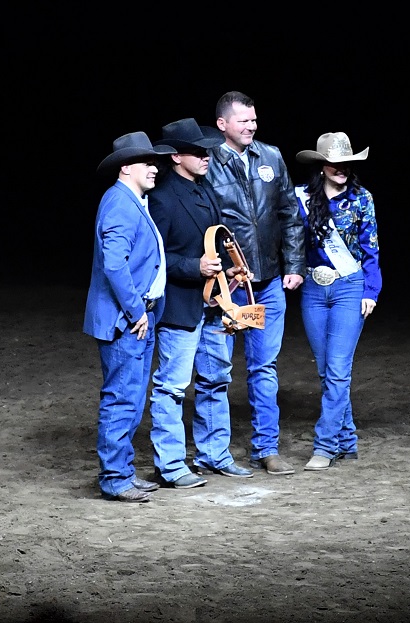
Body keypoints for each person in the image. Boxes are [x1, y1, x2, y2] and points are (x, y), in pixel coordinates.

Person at [147, 118, 254, 489]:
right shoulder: (161, 198)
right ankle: (171, 465)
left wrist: (232, 270)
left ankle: (214, 455)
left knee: (216, 380)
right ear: (177, 156)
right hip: (181, 305)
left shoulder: (204, 189)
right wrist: (194, 266)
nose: (206, 156)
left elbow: (214, 242)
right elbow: (153, 258)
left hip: (213, 303)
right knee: (173, 387)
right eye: (197, 151)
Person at [205, 91, 305, 475]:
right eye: (243, 121)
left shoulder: (271, 156)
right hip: (229, 285)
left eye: (253, 120)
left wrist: (293, 263)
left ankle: (267, 448)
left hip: (267, 283)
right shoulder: (209, 162)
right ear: (222, 125)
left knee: (264, 367)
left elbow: (289, 215)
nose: (250, 127)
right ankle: (216, 452)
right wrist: (217, 272)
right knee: (217, 370)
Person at [83, 131, 176, 503]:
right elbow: (114, 263)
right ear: (126, 168)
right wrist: (137, 309)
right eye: (147, 162)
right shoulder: (121, 203)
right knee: (122, 398)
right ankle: (114, 478)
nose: (155, 169)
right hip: (127, 320)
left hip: (139, 317)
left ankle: (122, 472)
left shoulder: (132, 199)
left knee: (132, 399)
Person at [293, 132, 381, 471]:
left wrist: (370, 291)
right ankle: (348, 439)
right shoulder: (300, 198)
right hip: (314, 289)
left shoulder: (361, 199)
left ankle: (325, 446)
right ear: (321, 165)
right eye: (335, 162)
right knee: (325, 370)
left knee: (338, 370)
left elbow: (371, 249)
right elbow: (292, 242)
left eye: (347, 162)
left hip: (349, 287)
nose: (341, 167)